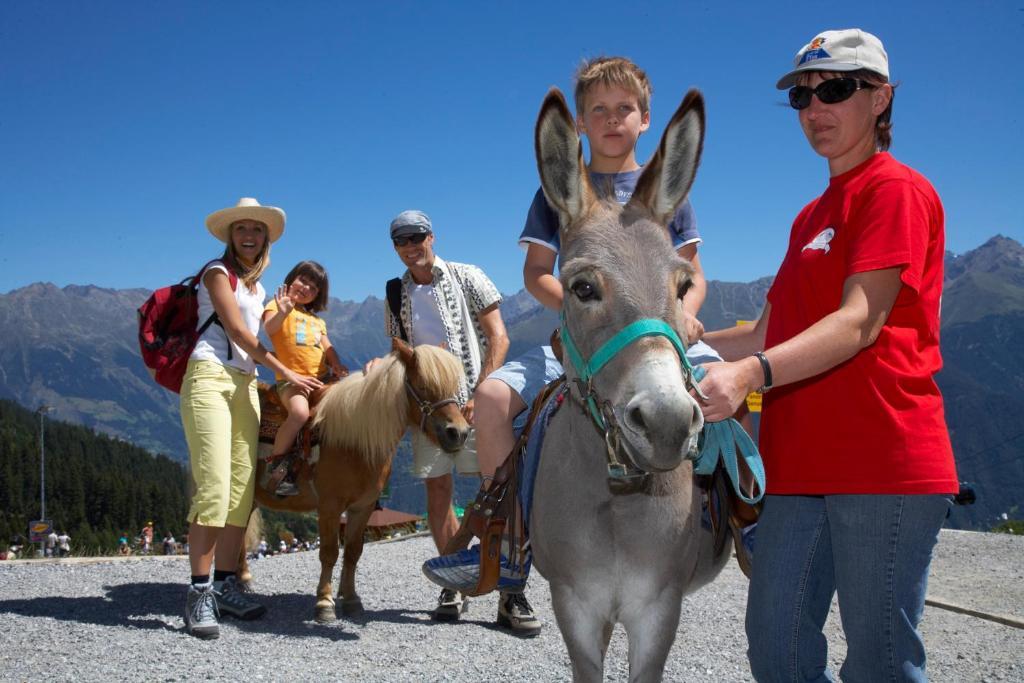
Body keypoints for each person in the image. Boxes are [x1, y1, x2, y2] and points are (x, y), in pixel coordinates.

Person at [425, 55, 721, 636]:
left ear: (645, 119)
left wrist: (685, 313)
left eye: (625, 110)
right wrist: (582, 309)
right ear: (580, 124)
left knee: (724, 389)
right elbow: (538, 272)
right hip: (577, 334)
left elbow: (694, 272)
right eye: (599, 111)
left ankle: (748, 514)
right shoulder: (554, 195)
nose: (613, 120)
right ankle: (503, 539)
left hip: (657, 336)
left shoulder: (667, 195)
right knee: (489, 398)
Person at [695, 29, 958, 681]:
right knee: (775, 646)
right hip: (798, 468)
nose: (815, 108)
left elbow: (860, 320)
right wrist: (676, 337)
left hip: (885, 462)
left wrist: (750, 375)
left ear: (881, 99)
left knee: (878, 662)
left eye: (835, 89)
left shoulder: (894, 190)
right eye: (803, 96)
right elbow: (765, 331)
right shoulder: (809, 216)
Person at [180, 197, 323, 640]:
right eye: (241, 228)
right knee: (215, 488)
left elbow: (263, 332)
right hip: (209, 377)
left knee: (242, 489)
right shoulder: (216, 273)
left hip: (244, 385)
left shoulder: (258, 288)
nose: (249, 235)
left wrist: (281, 325)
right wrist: (284, 370)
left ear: (265, 238)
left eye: (257, 230)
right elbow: (241, 334)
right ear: (230, 235)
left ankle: (225, 584)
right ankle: (199, 592)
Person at [382, 209, 510, 624]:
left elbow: (498, 336)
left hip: (475, 400)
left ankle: (508, 586)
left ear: (432, 237)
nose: (410, 246)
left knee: (494, 493)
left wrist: (481, 391)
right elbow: (399, 351)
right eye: (401, 240)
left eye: (416, 236)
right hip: (430, 412)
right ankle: (451, 582)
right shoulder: (393, 292)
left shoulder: (467, 275)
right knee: (438, 494)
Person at [262, 260, 347, 497]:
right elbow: (269, 329)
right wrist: (282, 311)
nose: (306, 287)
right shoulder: (276, 305)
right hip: (291, 380)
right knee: (299, 414)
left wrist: (337, 364)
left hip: (321, 379)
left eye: (313, 286)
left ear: (318, 295)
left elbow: (327, 347)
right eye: (303, 280)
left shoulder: (317, 321)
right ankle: (276, 465)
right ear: (291, 279)